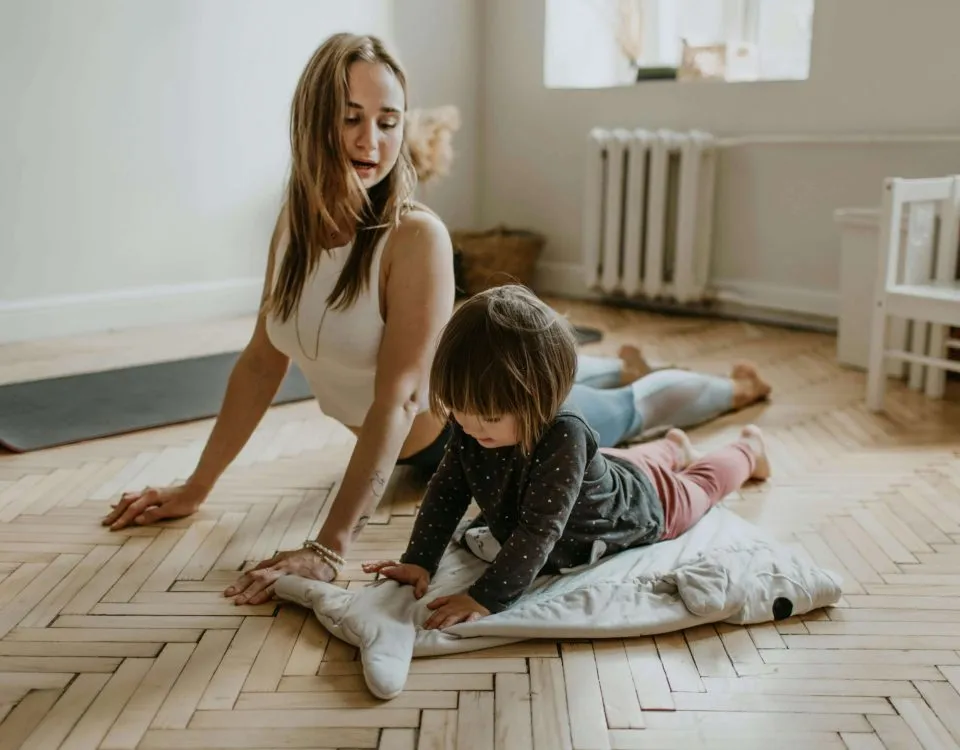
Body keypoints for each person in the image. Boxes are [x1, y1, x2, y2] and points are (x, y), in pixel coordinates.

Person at [100, 32, 770, 605]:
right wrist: (196, 486)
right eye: (352, 116)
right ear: (312, 118)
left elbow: (396, 401)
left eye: (388, 120)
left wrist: (329, 549)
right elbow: (258, 363)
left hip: (487, 430)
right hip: (454, 421)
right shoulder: (293, 226)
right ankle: (627, 391)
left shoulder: (413, 236)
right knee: (605, 401)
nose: (372, 139)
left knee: (623, 410)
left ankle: (732, 393)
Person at [362, 285, 770, 627]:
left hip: (645, 503)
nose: (470, 427)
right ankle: (674, 446)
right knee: (629, 461)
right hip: (608, 468)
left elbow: (540, 530)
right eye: (459, 411)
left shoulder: (565, 435)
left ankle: (749, 449)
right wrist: (419, 560)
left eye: (487, 416)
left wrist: (485, 598)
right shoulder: (473, 425)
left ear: (541, 398)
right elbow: (447, 491)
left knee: (701, 484)